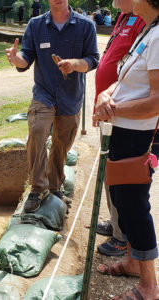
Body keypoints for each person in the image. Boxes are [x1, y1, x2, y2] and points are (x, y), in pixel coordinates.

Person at [5, 0, 99, 213]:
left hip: (71, 96)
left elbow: (93, 59)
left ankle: (55, 186)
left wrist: (75, 64)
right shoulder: (35, 25)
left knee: (61, 144)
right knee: (38, 130)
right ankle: (38, 188)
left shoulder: (86, 25)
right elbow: (26, 58)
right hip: (44, 93)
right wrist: (16, 58)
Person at [93, 0, 159, 297]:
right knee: (122, 200)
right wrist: (106, 95)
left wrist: (113, 109)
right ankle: (133, 261)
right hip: (124, 130)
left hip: (137, 136)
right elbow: (122, 79)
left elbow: (156, 101)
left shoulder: (158, 36)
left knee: (134, 206)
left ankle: (149, 286)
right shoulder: (148, 30)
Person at [94, 0, 145, 256]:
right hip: (109, 110)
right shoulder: (124, 16)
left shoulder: (144, 20)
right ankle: (115, 224)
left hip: (122, 113)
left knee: (120, 176)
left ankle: (122, 235)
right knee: (108, 172)